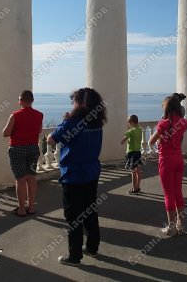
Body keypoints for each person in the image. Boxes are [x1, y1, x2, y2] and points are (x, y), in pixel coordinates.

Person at [47, 88, 107, 266]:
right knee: (90, 211)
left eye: (74, 101)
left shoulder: (73, 122)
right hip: (91, 172)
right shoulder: (97, 122)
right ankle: (92, 247)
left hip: (73, 175)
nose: (72, 104)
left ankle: (74, 256)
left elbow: (51, 139)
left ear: (81, 104)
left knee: (73, 216)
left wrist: (65, 121)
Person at [149, 95, 187, 236]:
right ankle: (181, 225)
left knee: (168, 194)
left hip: (166, 160)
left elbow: (150, 142)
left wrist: (161, 141)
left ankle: (171, 227)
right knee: (178, 192)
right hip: (179, 158)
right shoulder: (183, 122)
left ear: (166, 107)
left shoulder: (163, 124)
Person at [3, 90, 43, 216]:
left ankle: (21, 209)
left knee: (20, 179)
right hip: (33, 149)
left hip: (18, 149)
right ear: (32, 100)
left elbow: (6, 133)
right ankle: (31, 207)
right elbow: (39, 130)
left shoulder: (15, 115)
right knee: (31, 177)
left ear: (20, 100)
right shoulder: (39, 115)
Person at [121, 114, 143, 194]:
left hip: (132, 153)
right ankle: (138, 186)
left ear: (132, 122)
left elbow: (122, 141)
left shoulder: (130, 131)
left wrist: (125, 138)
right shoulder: (140, 129)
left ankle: (134, 189)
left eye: (129, 123)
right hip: (138, 152)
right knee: (138, 171)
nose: (129, 125)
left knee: (133, 172)